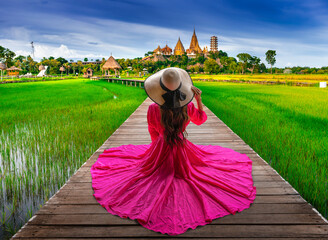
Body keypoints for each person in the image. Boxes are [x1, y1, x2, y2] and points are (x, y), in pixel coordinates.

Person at [90, 67, 256, 236]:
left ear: (160, 88)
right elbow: (200, 120)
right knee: (204, 167)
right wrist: (198, 100)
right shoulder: (188, 107)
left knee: (143, 170)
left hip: (160, 146)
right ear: (181, 87)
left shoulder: (153, 109)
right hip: (182, 148)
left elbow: (153, 133)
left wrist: (157, 151)